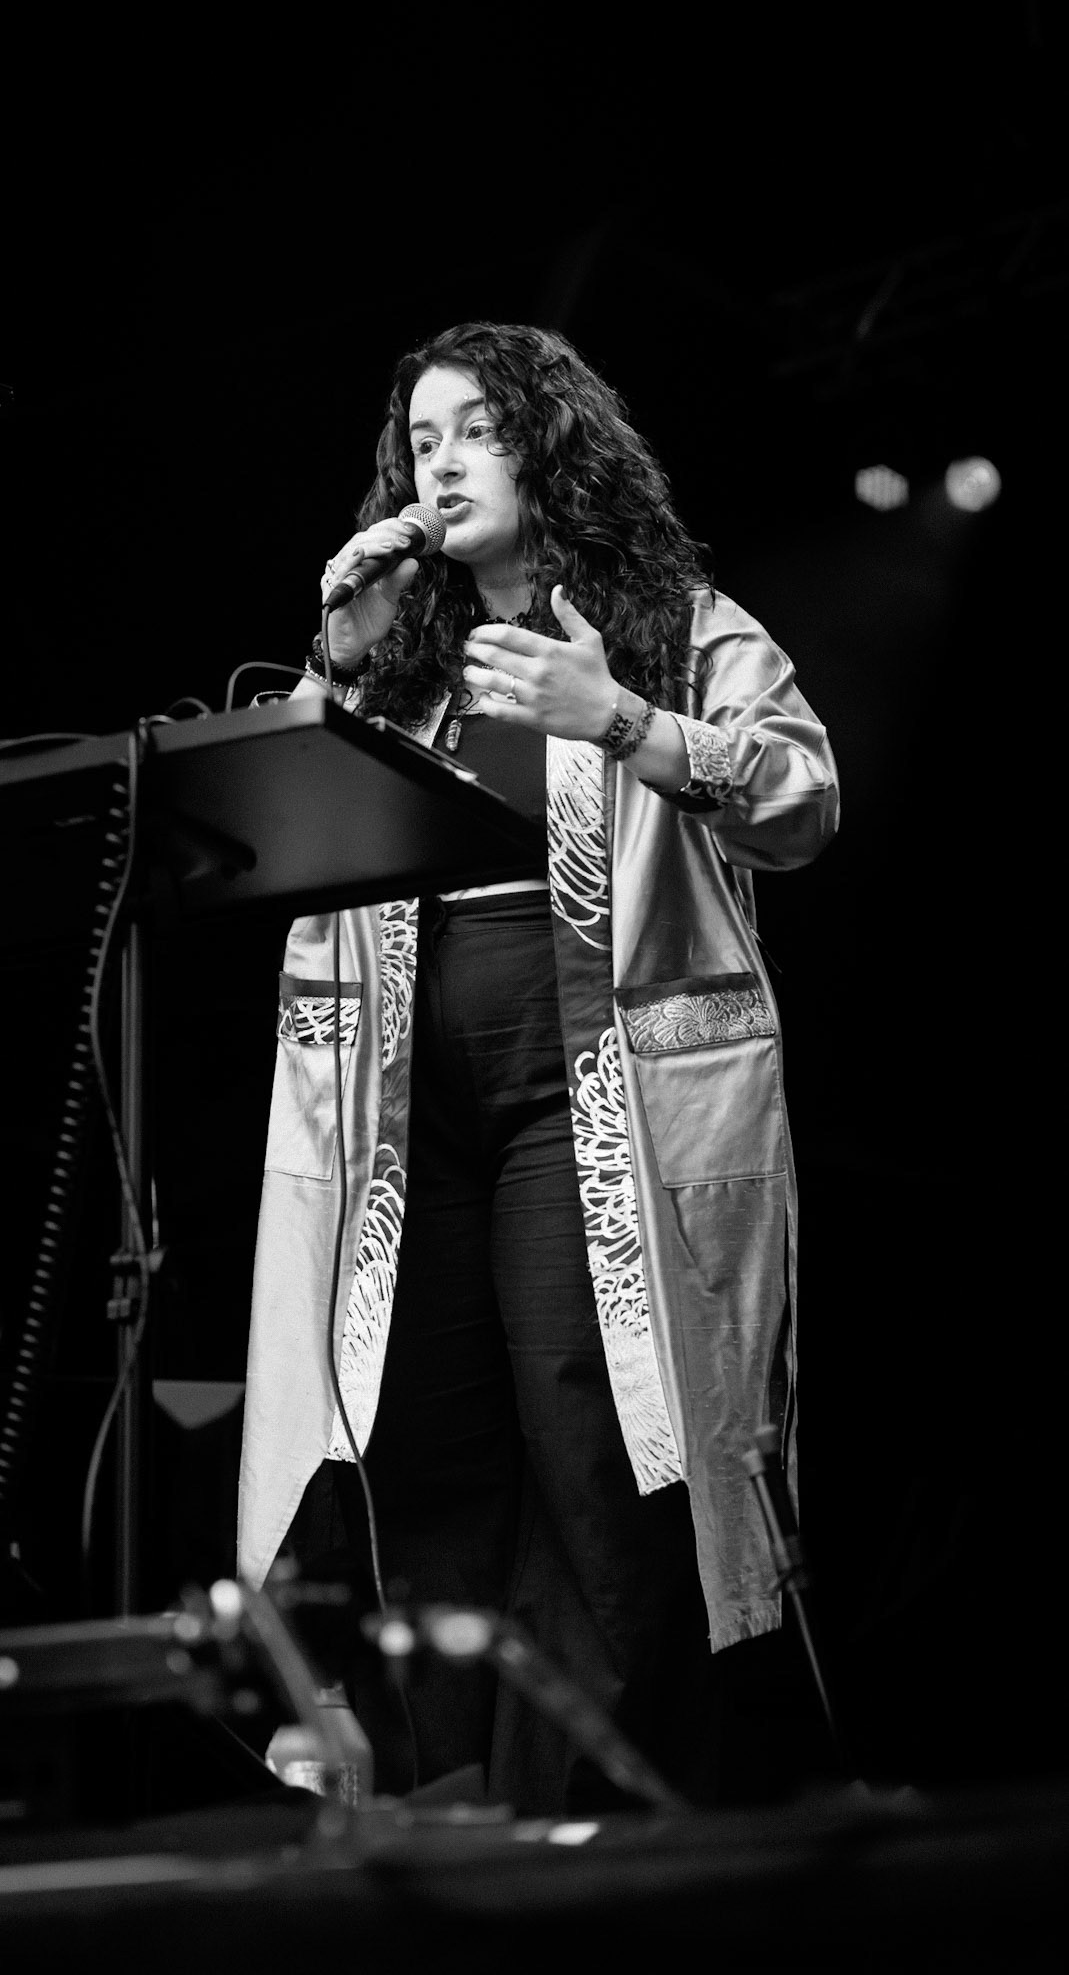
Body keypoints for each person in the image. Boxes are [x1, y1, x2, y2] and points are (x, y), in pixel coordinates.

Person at [237, 321, 839, 1810]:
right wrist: (338, 660)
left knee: (592, 1432)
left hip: (590, 1093)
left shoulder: (671, 624)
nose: (439, 464)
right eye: (419, 440)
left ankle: (599, 1808)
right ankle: (443, 1800)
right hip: (403, 1111)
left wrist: (616, 717)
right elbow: (281, 831)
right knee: (411, 1436)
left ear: (550, 447)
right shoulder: (397, 656)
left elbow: (802, 799)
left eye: (476, 431)